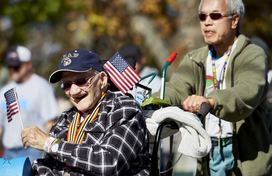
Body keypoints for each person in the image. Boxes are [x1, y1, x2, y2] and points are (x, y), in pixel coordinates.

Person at [152, 0, 272, 175]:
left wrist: (211, 100)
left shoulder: (253, 55)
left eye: (215, 15)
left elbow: (247, 91)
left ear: (234, 20)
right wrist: (151, 101)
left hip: (246, 156)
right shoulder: (195, 58)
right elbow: (176, 89)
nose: (207, 21)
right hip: (208, 151)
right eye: (202, 16)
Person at [21, 49, 150, 175]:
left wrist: (52, 145)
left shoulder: (125, 108)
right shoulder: (65, 118)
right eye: (67, 84)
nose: (73, 91)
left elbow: (110, 163)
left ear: (103, 79)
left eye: (81, 81)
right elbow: (50, 166)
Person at [0, 45, 59, 163]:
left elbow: (50, 124)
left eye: (16, 66)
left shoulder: (42, 87)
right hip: (8, 152)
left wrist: (50, 151)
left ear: (29, 64)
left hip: (33, 152)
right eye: (10, 66)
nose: (12, 69)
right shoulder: (4, 91)